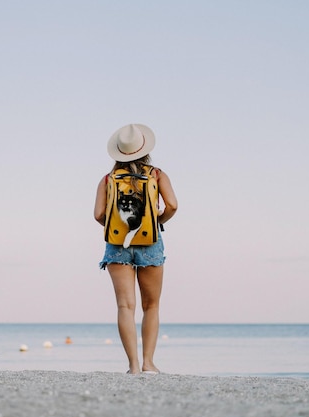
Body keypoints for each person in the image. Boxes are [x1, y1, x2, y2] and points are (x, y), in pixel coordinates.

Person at [93, 124, 178, 375]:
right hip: (150, 242)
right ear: (145, 150)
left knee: (124, 307)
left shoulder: (108, 180)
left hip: (117, 246)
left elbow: (98, 213)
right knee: (151, 306)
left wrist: (114, 227)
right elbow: (172, 205)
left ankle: (132, 366)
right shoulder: (158, 175)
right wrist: (156, 223)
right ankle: (148, 363)